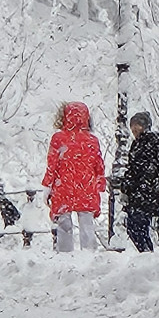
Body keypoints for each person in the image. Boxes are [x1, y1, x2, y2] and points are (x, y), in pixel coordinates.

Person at [41, 101, 106, 252]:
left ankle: (65, 254)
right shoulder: (92, 141)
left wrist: (48, 185)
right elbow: (99, 165)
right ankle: (89, 253)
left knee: (64, 224)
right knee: (86, 223)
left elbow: (52, 164)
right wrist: (100, 183)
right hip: (86, 186)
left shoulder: (59, 138)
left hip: (64, 186)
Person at [123, 111, 159, 252]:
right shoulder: (138, 144)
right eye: (132, 125)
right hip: (140, 194)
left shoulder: (149, 143)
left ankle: (147, 254)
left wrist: (134, 184)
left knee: (138, 227)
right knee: (135, 228)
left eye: (138, 125)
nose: (134, 129)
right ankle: (146, 253)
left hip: (145, 194)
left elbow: (146, 170)